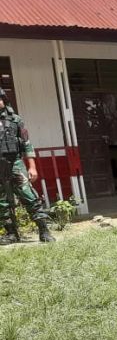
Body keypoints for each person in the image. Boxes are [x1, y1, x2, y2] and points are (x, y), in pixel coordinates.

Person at [0, 88, 55, 244]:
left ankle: (44, 231)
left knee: (29, 197)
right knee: (2, 202)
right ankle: (11, 234)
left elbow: (27, 144)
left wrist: (32, 167)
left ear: (4, 100)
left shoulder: (15, 120)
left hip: (15, 164)